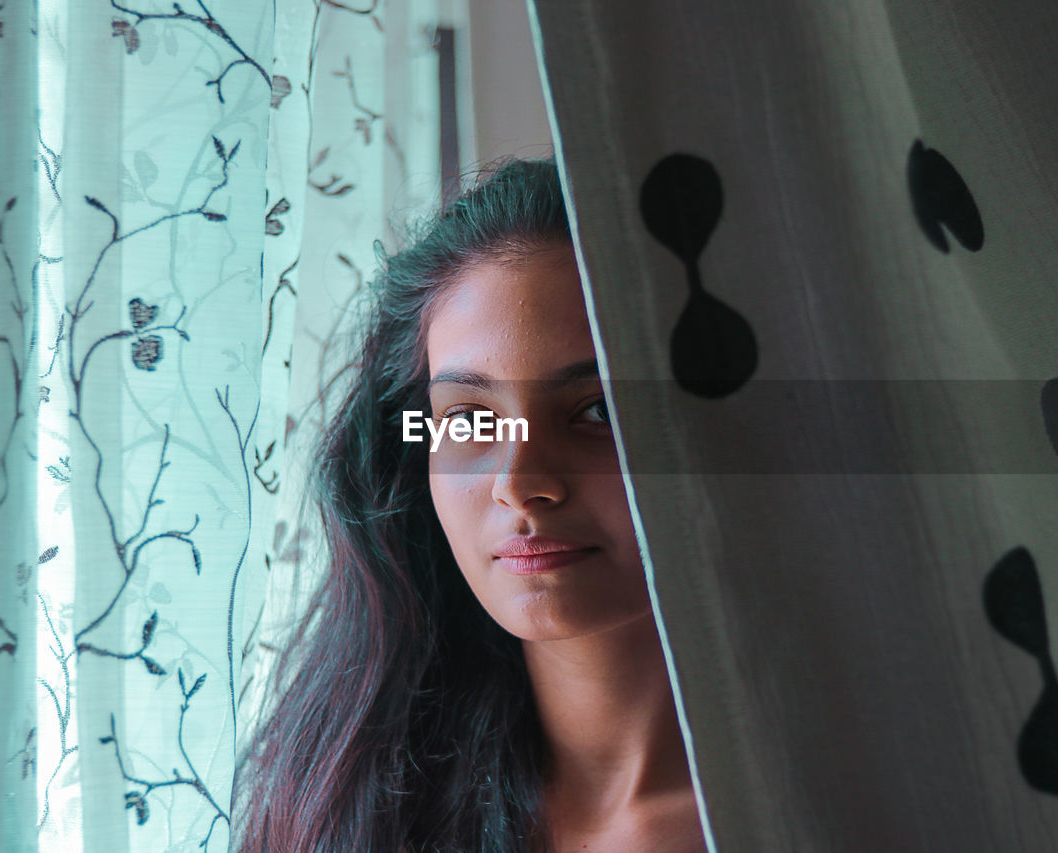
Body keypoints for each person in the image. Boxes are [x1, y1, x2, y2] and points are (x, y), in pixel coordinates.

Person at [233, 159, 708, 852]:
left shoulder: (867, 794)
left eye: (598, 410)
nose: (519, 482)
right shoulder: (348, 806)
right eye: (470, 420)